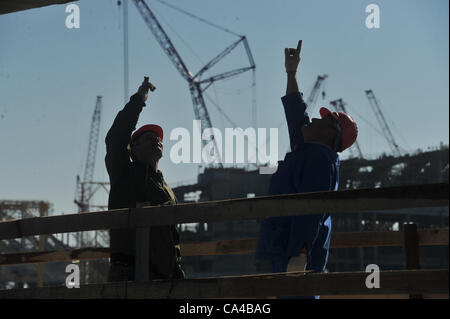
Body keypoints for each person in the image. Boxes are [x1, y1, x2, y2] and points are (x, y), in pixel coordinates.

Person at [255, 41, 358, 298]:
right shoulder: (310, 150)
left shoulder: (320, 158)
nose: (312, 118)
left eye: (323, 120)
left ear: (330, 135)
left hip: (295, 254)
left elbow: (310, 210)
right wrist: (291, 73)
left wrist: (300, 253)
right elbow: (295, 111)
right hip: (286, 248)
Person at [105, 77, 184, 282]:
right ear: (134, 149)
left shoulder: (165, 188)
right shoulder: (124, 173)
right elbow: (116, 138)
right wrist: (139, 100)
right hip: (128, 274)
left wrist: (177, 275)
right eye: (147, 136)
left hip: (162, 277)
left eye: (157, 138)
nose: (156, 138)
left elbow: (171, 238)